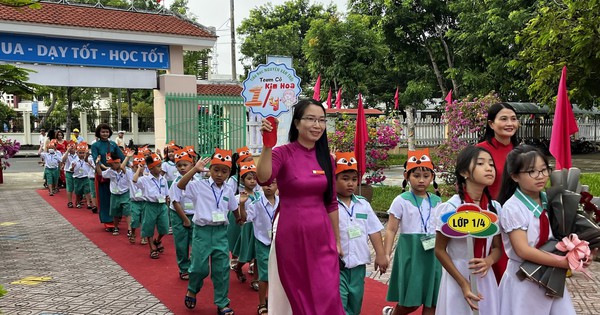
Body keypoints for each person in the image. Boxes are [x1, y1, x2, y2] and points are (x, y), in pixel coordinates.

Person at [256, 98, 345, 314]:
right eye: (311, 119)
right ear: (296, 123)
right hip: (292, 234)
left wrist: (337, 241)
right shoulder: (283, 153)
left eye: (322, 120)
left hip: (322, 235)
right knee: (301, 295)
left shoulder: (327, 158)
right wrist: (267, 145)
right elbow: (264, 178)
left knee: (328, 293)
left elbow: (331, 202)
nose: (317, 125)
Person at [496, 145, 578, 315]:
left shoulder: (552, 200)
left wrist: (580, 251)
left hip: (552, 277)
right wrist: (563, 262)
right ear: (515, 176)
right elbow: (523, 250)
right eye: (532, 172)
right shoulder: (513, 208)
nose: (541, 176)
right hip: (524, 279)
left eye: (544, 170)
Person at [434, 146, 502, 315]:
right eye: (481, 163)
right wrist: (464, 283)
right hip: (457, 275)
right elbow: (439, 250)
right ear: (464, 172)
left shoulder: (494, 208)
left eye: (491, 165)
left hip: (484, 275)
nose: (489, 168)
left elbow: (497, 248)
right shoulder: (451, 208)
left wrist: (489, 261)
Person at [178, 149, 240, 315]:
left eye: (224, 171)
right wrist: (195, 169)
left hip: (221, 233)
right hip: (202, 232)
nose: (219, 174)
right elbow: (180, 185)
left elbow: (234, 209)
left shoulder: (228, 190)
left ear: (229, 172)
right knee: (199, 268)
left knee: (221, 270)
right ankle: (192, 289)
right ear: (210, 169)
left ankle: (222, 303)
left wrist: (240, 219)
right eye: (216, 170)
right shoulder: (199, 186)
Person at [382, 149, 442, 315]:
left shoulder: (437, 201)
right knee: (410, 301)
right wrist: (386, 254)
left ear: (433, 177)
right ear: (406, 176)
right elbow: (391, 229)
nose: (421, 180)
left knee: (432, 300)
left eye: (426, 176)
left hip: (433, 253)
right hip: (411, 252)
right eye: (416, 176)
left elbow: (442, 229)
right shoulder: (401, 201)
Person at [334, 152, 387, 315]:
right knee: (339, 303)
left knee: (355, 303)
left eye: (354, 179)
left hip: (358, 264)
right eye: (345, 179)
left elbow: (374, 230)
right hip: (337, 265)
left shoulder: (363, 205)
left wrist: (381, 254)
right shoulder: (329, 206)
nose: (350, 183)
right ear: (333, 180)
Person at [476, 103, 519, 283]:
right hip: (490, 222)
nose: (510, 123)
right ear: (491, 124)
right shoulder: (480, 151)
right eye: (504, 119)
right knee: (494, 277)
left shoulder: (521, 153)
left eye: (513, 119)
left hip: (517, 222)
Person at [241, 178, 278, 315]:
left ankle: (275, 301)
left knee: (279, 275)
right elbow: (245, 219)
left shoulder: (282, 202)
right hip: (263, 243)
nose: (269, 186)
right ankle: (262, 303)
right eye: (266, 183)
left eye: (273, 183)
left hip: (279, 244)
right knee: (264, 275)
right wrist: (241, 205)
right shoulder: (256, 204)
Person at [133, 153, 169, 259]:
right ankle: (152, 247)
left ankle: (157, 240)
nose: (160, 168)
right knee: (149, 226)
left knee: (164, 228)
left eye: (160, 165)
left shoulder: (163, 179)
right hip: (150, 205)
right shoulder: (145, 179)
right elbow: (134, 180)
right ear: (151, 168)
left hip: (162, 206)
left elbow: (166, 194)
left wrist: (167, 204)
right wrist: (139, 169)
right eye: (158, 166)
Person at [232, 160, 261, 290]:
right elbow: (240, 215)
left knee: (258, 255)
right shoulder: (240, 196)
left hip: (258, 228)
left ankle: (256, 279)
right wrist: (242, 204)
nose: (253, 181)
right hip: (247, 228)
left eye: (255, 179)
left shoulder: (260, 195)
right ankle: (238, 267)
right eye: (249, 179)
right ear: (243, 181)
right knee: (245, 254)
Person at [91, 123, 125, 232]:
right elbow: (96, 159)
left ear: (109, 132)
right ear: (99, 133)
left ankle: (115, 218)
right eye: (102, 132)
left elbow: (122, 158)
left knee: (116, 197)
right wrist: (104, 167)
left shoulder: (113, 144)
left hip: (115, 174)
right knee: (105, 198)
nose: (105, 134)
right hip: (103, 174)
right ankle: (108, 222)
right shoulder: (95, 145)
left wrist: (128, 166)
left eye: (106, 131)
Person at [168, 148, 196, 280]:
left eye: (185, 165)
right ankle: (184, 268)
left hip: (194, 215)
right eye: (179, 165)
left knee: (195, 243)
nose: (182, 168)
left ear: (192, 164)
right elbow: (175, 202)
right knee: (181, 243)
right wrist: (185, 219)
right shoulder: (176, 183)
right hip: (179, 215)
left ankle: (194, 266)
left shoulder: (197, 179)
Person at [98, 153, 131, 236]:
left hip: (125, 193)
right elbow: (101, 174)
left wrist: (127, 157)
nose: (111, 167)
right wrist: (97, 164)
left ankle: (130, 229)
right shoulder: (110, 171)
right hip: (114, 194)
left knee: (128, 212)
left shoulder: (126, 170)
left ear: (117, 163)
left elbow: (123, 168)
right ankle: (115, 227)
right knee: (115, 213)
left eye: (112, 165)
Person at [122, 151, 147, 245]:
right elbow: (121, 167)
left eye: (141, 166)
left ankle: (144, 236)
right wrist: (128, 157)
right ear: (133, 167)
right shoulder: (129, 174)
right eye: (137, 166)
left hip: (144, 202)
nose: (139, 168)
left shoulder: (146, 176)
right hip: (134, 202)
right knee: (135, 220)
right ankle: (132, 232)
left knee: (144, 220)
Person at [71, 143, 92, 209]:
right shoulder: (74, 161)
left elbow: (91, 166)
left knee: (87, 190)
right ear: (77, 153)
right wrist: (72, 167)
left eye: (83, 153)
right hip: (77, 178)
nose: (82, 154)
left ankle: (88, 203)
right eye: (80, 153)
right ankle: (78, 202)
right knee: (78, 191)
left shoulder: (88, 160)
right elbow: (71, 170)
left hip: (86, 177)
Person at [62, 142, 78, 208]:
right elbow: (63, 160)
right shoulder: (66, 154)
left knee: (77, 188)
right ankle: (70, 201)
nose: (71, 149)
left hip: (77, 172)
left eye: (72, 148)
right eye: (70, 148)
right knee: (69, 188)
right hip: (69, 172)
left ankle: (78, 201)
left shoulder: (78, 154)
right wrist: (67, 151)